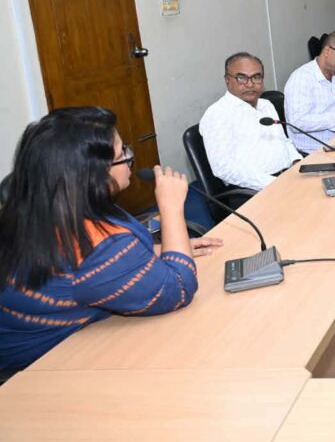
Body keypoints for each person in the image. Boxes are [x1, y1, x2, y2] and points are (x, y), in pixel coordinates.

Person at [0, 107, 222, 370]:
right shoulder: (98, 244)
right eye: (122, 153)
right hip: (39, 366)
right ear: (95, 173)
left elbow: (77, 271)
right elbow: (179, 289)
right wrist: (171, 208)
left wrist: (166, 249)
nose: (130, 157)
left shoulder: (46, 201)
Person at [199, 52, 301, 192]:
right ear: (227, 80)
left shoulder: (266, 105)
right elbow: (224, 169)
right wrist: (276, 184)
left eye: (256, 77)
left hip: (287, 177)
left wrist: (297, 161)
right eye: (241, 78)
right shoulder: (218, 114)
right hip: (253, 190)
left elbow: (283, 141)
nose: (250, 84)